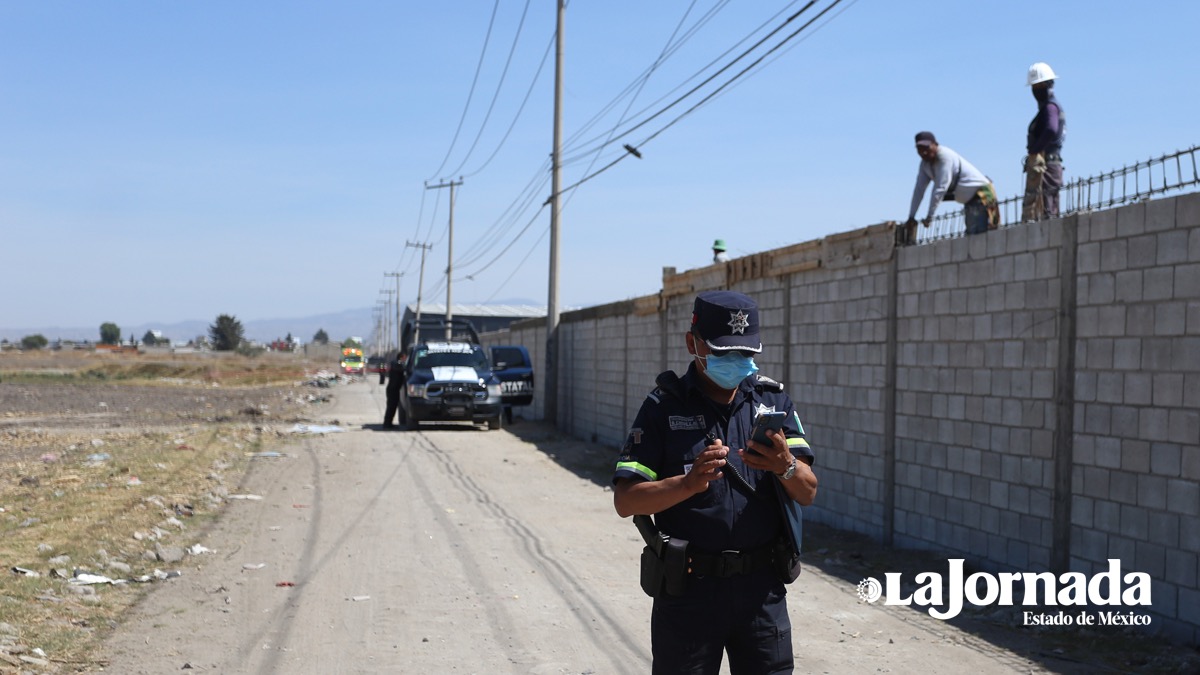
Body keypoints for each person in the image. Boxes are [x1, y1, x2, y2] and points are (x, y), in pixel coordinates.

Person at [613, 290, 817, 674]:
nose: (736, 363)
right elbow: (626, 501)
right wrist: (687, 484)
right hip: (689, 590)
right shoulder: (664, 407)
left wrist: (785, 465)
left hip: (762, 593)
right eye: (723, 353)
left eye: (745, 354)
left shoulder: (772, 403)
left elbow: (808, 490)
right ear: (693, 344)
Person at [903, 131, 998, 243]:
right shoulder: (925, 165)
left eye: (926, 147)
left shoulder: (944, 157)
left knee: (982, 238)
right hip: (969, 200)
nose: (923, 152)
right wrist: (911, 217)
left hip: (981, 195)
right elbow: (919, 190)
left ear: (935, 144)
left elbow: (940, 188)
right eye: (919, 149)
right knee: (973, 239)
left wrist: (929, 217)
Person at [1023, 62, 1066, 221]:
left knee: (1047, 212)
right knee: (1041, 213)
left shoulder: (1050, 108)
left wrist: (1035, 150)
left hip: (1047, 166)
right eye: (1034, 86)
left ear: (1049, 84)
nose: (1036, 90)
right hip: (1048, 164)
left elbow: (1051, 129)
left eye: (1040, 85)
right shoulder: (1048, 108)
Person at [381, 352, 405, 429]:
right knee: (391, 407)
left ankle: (389, 423)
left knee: (393, 407)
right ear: (401, 357)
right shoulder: (396, 364)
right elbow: (399, 368)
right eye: (404, 357)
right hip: (392, 389)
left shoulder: (398, 364)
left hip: (395, 389)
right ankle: (387, 424)